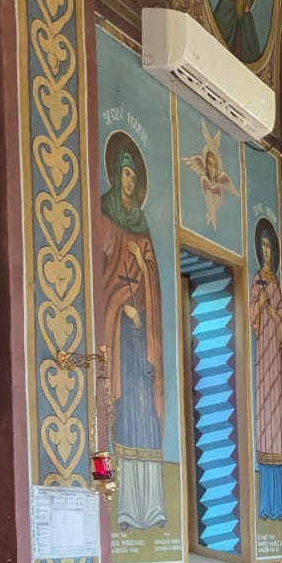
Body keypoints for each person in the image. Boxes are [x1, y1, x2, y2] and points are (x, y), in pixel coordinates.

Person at [98, 136, 168, 533]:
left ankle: (152, 507)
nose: (130, 181)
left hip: (142, 346)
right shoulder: (105, 218)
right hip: (118, 341)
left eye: (134, 176)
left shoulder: (142, 227)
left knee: (147, 422)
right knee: (119, 418)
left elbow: (152, 284)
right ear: (115, 174)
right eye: (126, 173)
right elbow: (101, 280)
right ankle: (122, 507)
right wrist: (122, 302)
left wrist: (143, 266)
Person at [250, 220, 282, 520]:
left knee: (277, 426)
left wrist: (275, 316)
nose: (266, 251)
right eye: (262, 245)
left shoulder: (277, 282)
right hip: (263, 361)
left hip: (276, 359)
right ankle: (265, 504)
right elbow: (252, 318)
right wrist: (260, 305)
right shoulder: (257, 282)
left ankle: (278, 505)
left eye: (268, 246)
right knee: (265, 425)